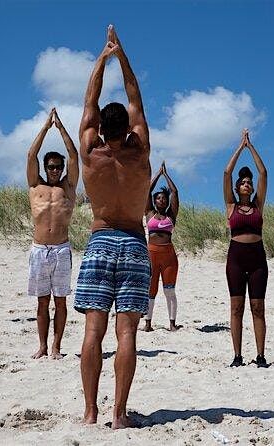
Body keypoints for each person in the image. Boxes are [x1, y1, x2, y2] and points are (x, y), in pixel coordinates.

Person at [74, 25, 151, 429]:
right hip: (136, 244)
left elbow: (90, 100)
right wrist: (123, 57)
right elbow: (135, 96)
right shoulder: (140, 150)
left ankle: (90, 412)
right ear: (129, 129)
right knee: (126, 335)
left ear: (102, 130)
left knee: (93, 330)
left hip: (100, 240)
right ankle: (119, 415)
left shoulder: (90, 150)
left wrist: (101, 59)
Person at [27, 107, 79, 359]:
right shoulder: (35, 185)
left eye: (58, 167)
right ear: (46, 167)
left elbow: (74, 155)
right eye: (51, 167)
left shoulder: (68, 187)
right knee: (41, 301)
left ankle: (57, 347)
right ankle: (42, 346)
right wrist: (46, 127)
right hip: (39, 249)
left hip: (60, 248)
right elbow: (31, 154)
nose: (56, 170)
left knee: (60, 301)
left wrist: (61, 129)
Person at [223, 129, 269, 368]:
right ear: (237, 187)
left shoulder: (258, 205)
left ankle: (261, 356)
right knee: (237, 307)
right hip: (236, 259)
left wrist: (251, 147)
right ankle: (237, 356)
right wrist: (240, 147)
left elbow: (263, 172)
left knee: (257, 307)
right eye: (243, 182)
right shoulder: (230, 206)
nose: (246, 184)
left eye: (248, 183)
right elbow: (227, 172)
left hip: (257, 258)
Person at [143, 161, 180, 332]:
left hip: (168, 256)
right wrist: (158, 173)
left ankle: (172, 323)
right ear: (154, 201)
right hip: (151, 254)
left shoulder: (171, 215)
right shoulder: (149, 213)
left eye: (163, 198)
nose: (161, 200)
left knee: (169, 291)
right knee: (151, 290)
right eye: (158, 198)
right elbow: (148, 190)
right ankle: (148, 323)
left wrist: (167, 175)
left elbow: (175, 192)